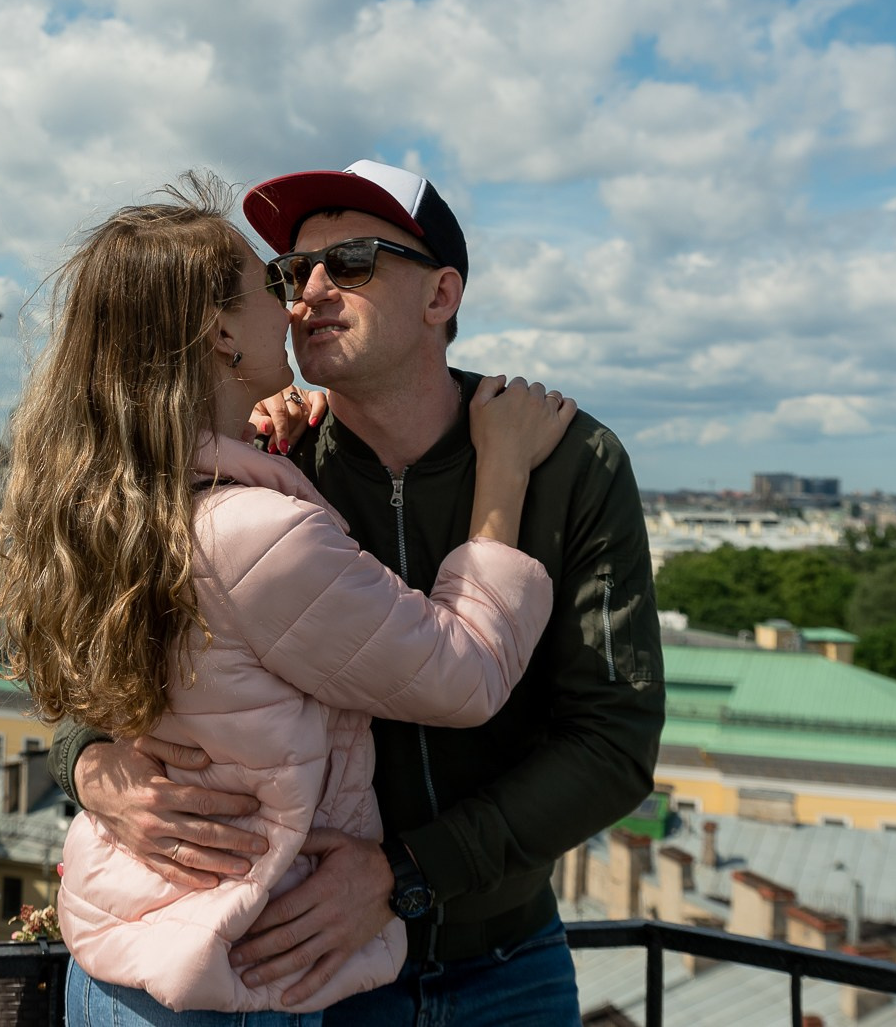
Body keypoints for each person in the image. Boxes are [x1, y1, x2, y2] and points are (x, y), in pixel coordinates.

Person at [51, 160, 665, 1026]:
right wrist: (89, 763)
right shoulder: (271, 467)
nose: (307, 292)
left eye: (353, 262)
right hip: (305, 970)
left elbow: (613, 739)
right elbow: (94, 647)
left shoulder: (566, 460)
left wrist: (407, 875)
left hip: (496, 961)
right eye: (291, 271)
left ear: (441, 294)